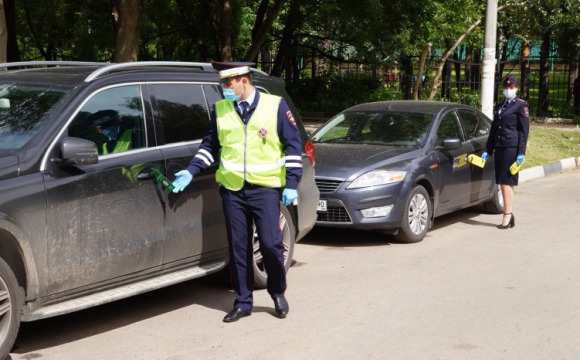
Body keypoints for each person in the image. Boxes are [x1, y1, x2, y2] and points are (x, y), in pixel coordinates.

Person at [171, 62, 303, 322]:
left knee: (271, 245)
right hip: (232, 190)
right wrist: (192, 170)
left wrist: (291, 184)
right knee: (239, 248)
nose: (225, 89)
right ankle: (243, 301)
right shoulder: (221, 110)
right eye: (222, 84)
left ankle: (277, 292)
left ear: (244, 81)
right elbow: (210, 146)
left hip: (265, 188)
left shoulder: (274, 106)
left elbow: (293, 147)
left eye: (229, 83)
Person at [482, 74, 530, 229]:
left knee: (505, 183)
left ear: (516, 88)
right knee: (504, 182)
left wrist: (521, 152)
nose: (508, 90)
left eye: (511, 87)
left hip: (511, 147)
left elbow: (524, 130)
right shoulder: (500, 105)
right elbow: (494, 129)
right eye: (506, 87)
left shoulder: (521, 105)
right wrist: (488, 149)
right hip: (500, 146)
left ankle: (507, 216)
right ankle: (510, 215)